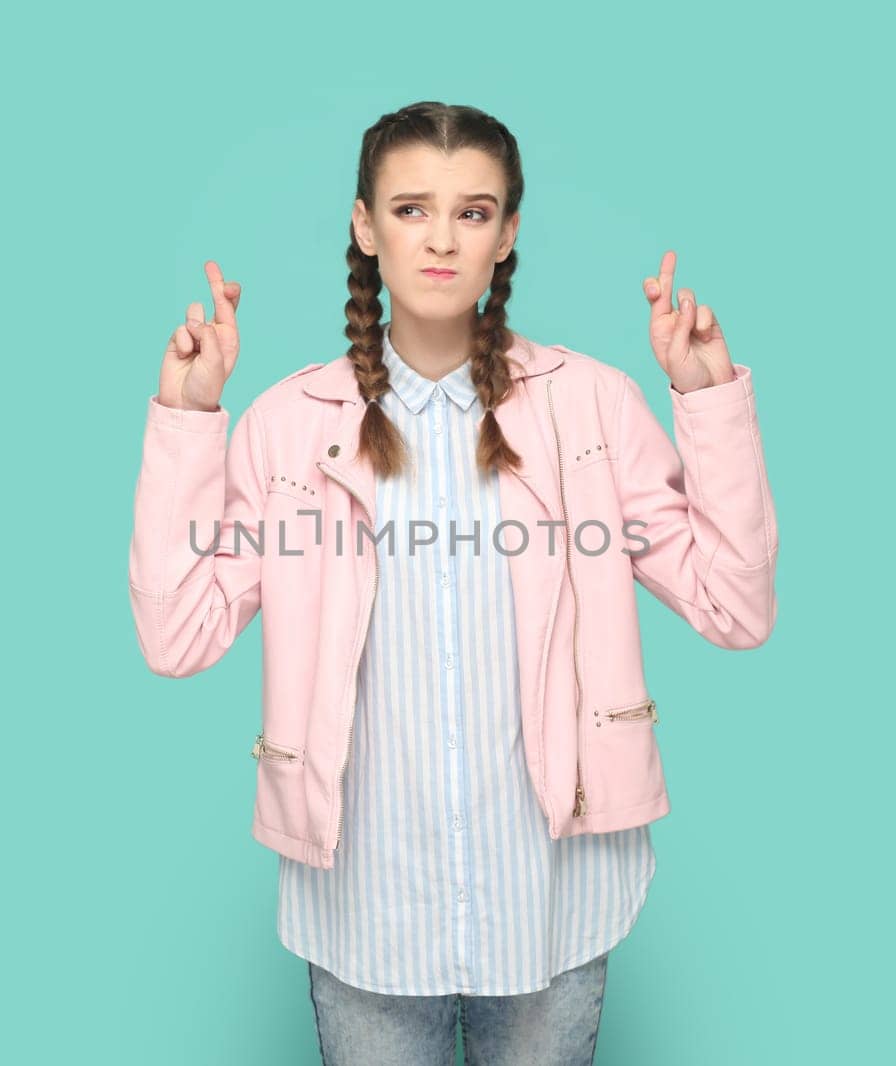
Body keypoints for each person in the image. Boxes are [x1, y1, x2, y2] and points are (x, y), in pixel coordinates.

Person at [129, 100, 778, 1065]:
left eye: (473, 213)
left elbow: (736, 604)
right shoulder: (286, 424)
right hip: (363, 908)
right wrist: (191, 420)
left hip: (555, 897)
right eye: (410, 209)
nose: (440, 239)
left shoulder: (590, 406)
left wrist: (707, 400)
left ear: (507, 233)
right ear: (364, 225)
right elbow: (177, 635)